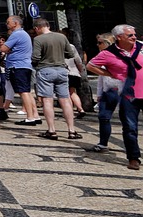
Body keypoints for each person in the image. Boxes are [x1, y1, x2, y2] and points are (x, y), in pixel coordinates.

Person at [85, 25, 141, 170]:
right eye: (130, 35)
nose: (134, 37)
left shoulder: (141, 47)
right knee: (130, 126)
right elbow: (90, 66)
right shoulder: (108, 53)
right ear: (119, 37)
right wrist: (109, 74)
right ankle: (133, 157)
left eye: (134, 34)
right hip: (128, 94)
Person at [31, 18, 78, 140]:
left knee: (47, 100)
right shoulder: (62, 37)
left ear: (37, 28)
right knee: (65, 100)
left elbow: (35, 57)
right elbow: (70, 54)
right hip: (61, 70)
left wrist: (36, 63)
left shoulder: (38, 39)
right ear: (48, 26)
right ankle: (71, 130)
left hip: (45, 70)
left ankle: (52, 130)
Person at [0, 16, 37, 124]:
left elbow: (3, 48)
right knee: (27, 92)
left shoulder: (16, 34)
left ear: (15, 23)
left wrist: (8, 50)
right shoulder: (24, 34)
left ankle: (30, 117)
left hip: (17, 66)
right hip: (24, 65)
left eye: (8, 22)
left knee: (23, 91)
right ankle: (35, 115)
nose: (6, 25)